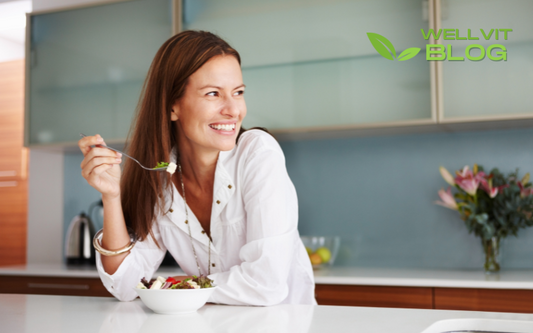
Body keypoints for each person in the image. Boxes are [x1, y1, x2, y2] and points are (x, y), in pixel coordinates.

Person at [78, 30, 316, 305]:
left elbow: (266, 284)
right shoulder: (160, 176)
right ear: (171, 107)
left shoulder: (258, 153)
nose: (233, 109)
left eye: (238, 92)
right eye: (213, 93)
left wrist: (169, 288)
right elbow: (125, 285)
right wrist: (111, 196)